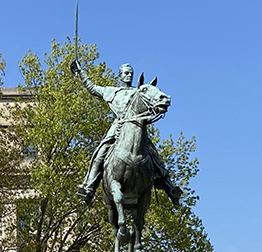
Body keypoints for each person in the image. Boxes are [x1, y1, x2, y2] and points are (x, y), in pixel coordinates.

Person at [71, 60, 182, 206]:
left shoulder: (139, 91)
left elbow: (151, 103)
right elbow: (92, 88)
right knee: (100, 152)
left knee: (153, 154)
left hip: (136, 128)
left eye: (131, 73)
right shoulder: (112, 91)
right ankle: (89, 187)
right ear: (120, 76)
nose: (129, 75)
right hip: (118, 126)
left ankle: (170, 188)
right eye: (126, 73)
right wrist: (80, 72)